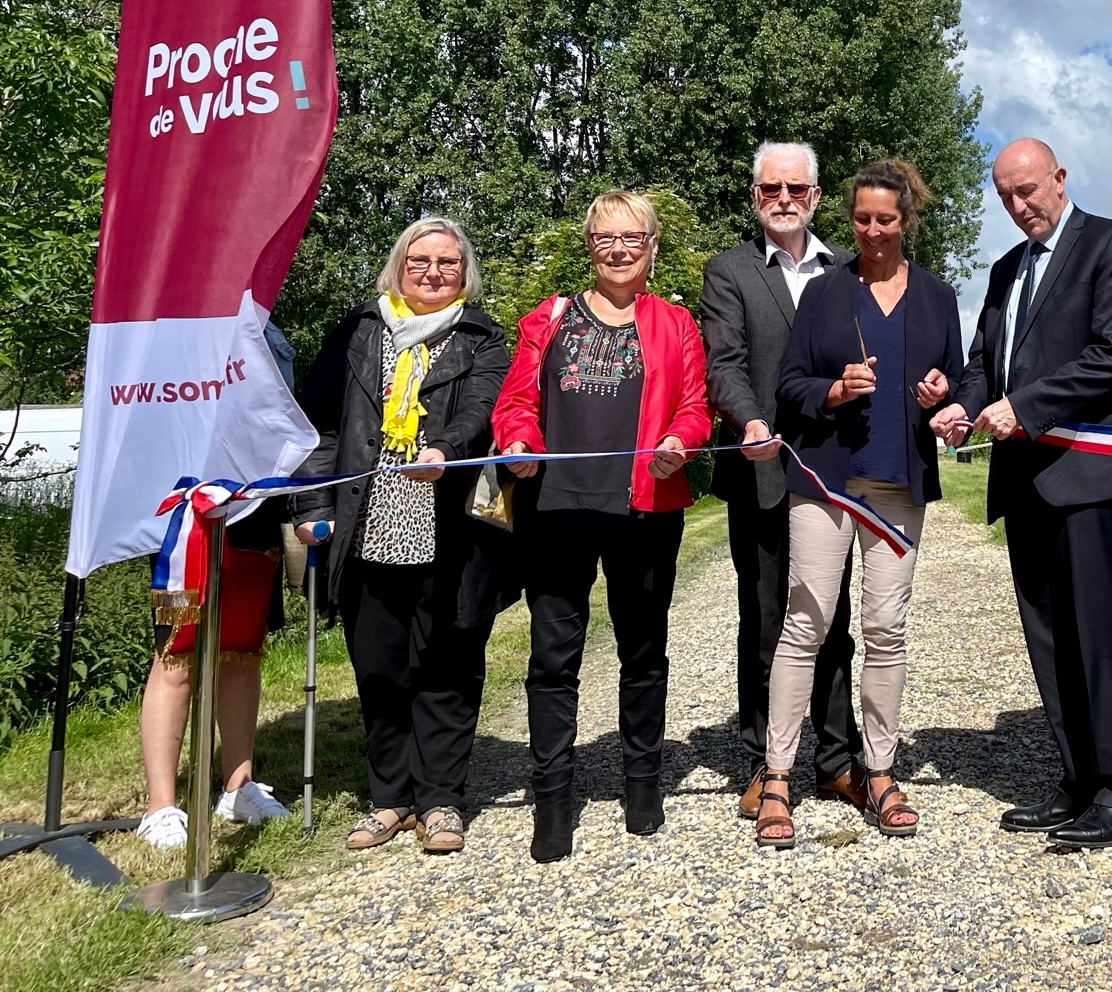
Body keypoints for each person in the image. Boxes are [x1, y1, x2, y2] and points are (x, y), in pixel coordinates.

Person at [931, 138, 1112, 850]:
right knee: (1052, 643)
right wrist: (960, 404)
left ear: (1060, 179)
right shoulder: (1004, 271)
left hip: (1095, 481)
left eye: (1028, 190)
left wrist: (1025, 405)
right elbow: (982, 365)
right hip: (1026, 483)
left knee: (1105, 640)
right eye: (1006, 195)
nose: (1019, 205)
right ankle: (1080, 781)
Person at [493, 190, 711, 862]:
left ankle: (642, 783)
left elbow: (697, 409)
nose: (618, 249)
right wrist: (520, 443)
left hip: (645, 510)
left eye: (632, 238)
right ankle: (553, 799)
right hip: (555, 512)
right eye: (605, 237)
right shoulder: (548, 319)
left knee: (642, 655)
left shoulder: (677, 324)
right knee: (553, 662)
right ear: (589, 244)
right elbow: (516, 403)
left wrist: (680, 440)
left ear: (652, 246)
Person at [754, 160, 965, 847]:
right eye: (861, 219)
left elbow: (958, 377)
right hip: (825, 478)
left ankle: (879, 770)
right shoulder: (822, 293)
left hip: (898, 483)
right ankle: (779, 775)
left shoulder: (936, 296)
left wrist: (945, 396)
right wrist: (832, 392)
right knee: (806, 622)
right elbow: (790, 385)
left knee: (885, 628)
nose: (872, 231)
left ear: (907, 221)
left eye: (886, 219)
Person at [290, 218, 512, 854]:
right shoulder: (357, 333)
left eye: (448, 262)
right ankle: (389, 797)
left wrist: (445, 448)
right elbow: (319, 428)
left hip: (447, 525)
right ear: (399, 264)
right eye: (421, 260)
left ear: (463, 273)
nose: (434, 272)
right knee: (379, 665)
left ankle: (442, 798)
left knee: (447, 662)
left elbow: (482, 409)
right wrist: (311, 503)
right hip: (366, 522)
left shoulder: (481, 336)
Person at [699, 141, 864, 822]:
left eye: (797, 189)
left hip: (835, 474)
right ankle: (769, 762)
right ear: (755, 195)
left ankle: (836, 758)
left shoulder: (852, 272)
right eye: (772, 190)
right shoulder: (730, 271)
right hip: (762, 469)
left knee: (834, 619)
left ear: (817, 196)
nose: (785, 200)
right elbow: (724, 362)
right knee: (767, 621)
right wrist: (749, 419)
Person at [134, 321, 300, 850]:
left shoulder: (270, 334)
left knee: (241, 654)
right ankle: (161, 804)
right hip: (183, 522)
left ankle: (238, 784)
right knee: (174, 654)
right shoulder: (172, 331)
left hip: (252, 513)